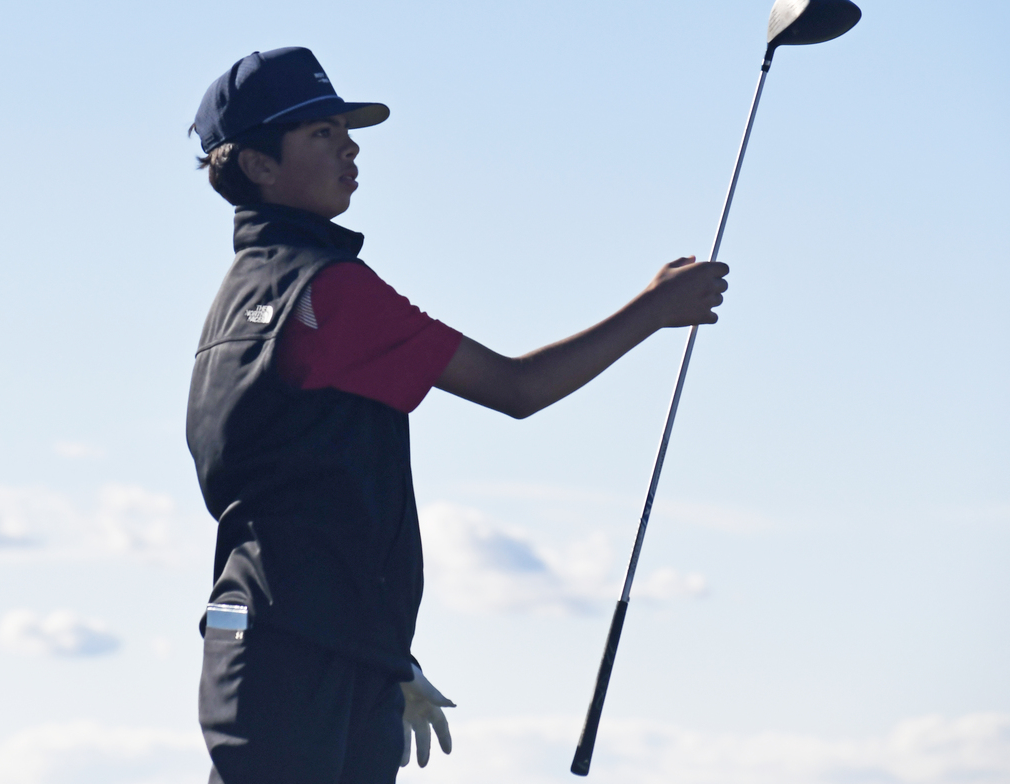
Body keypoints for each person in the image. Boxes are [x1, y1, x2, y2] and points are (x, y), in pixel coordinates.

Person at [186, 47, 728, 784]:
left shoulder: (242, 295)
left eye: (347, 129)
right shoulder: (328, 292)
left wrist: (383, 652)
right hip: (304, 658)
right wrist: (657, 309)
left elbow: (308, 499)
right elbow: (518, 388)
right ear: (258, 165)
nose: (349, 145)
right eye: (320, 132)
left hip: (291, 647)